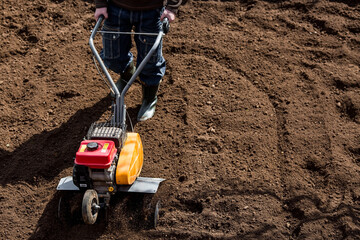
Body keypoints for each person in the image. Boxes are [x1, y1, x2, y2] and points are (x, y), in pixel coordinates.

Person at [94, 0, 186, 121]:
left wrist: (172, 7)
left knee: (150, 61)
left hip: (152, 10)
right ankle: (127, 73)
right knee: (112, 56)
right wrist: (100, 4)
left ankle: (149, 98)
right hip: (115, 7)